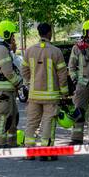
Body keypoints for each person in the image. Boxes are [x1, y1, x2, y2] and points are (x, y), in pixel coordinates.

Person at [20, 23, 69, 159]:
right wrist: (64, 92)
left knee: (32, 122)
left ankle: (29, 152)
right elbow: (62, 74)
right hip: (51, 96)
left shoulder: (29, 51)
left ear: (39, 33)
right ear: (49, 33)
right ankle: (46, 152)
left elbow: (24, 70)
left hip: (34, 94)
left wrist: (31, 82)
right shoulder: (55, 51)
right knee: (48, 122)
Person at [0, 22, 23, 148]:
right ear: (6, 34)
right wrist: (19, 82)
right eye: (12, 35)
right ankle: (0, 142)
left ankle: (12, 142)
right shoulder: (0, 49)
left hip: (7, 87)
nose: (13, 38)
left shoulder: (2, 47)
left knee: (13, 116)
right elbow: (8, 71)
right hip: (3, 88)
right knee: (3, 115)